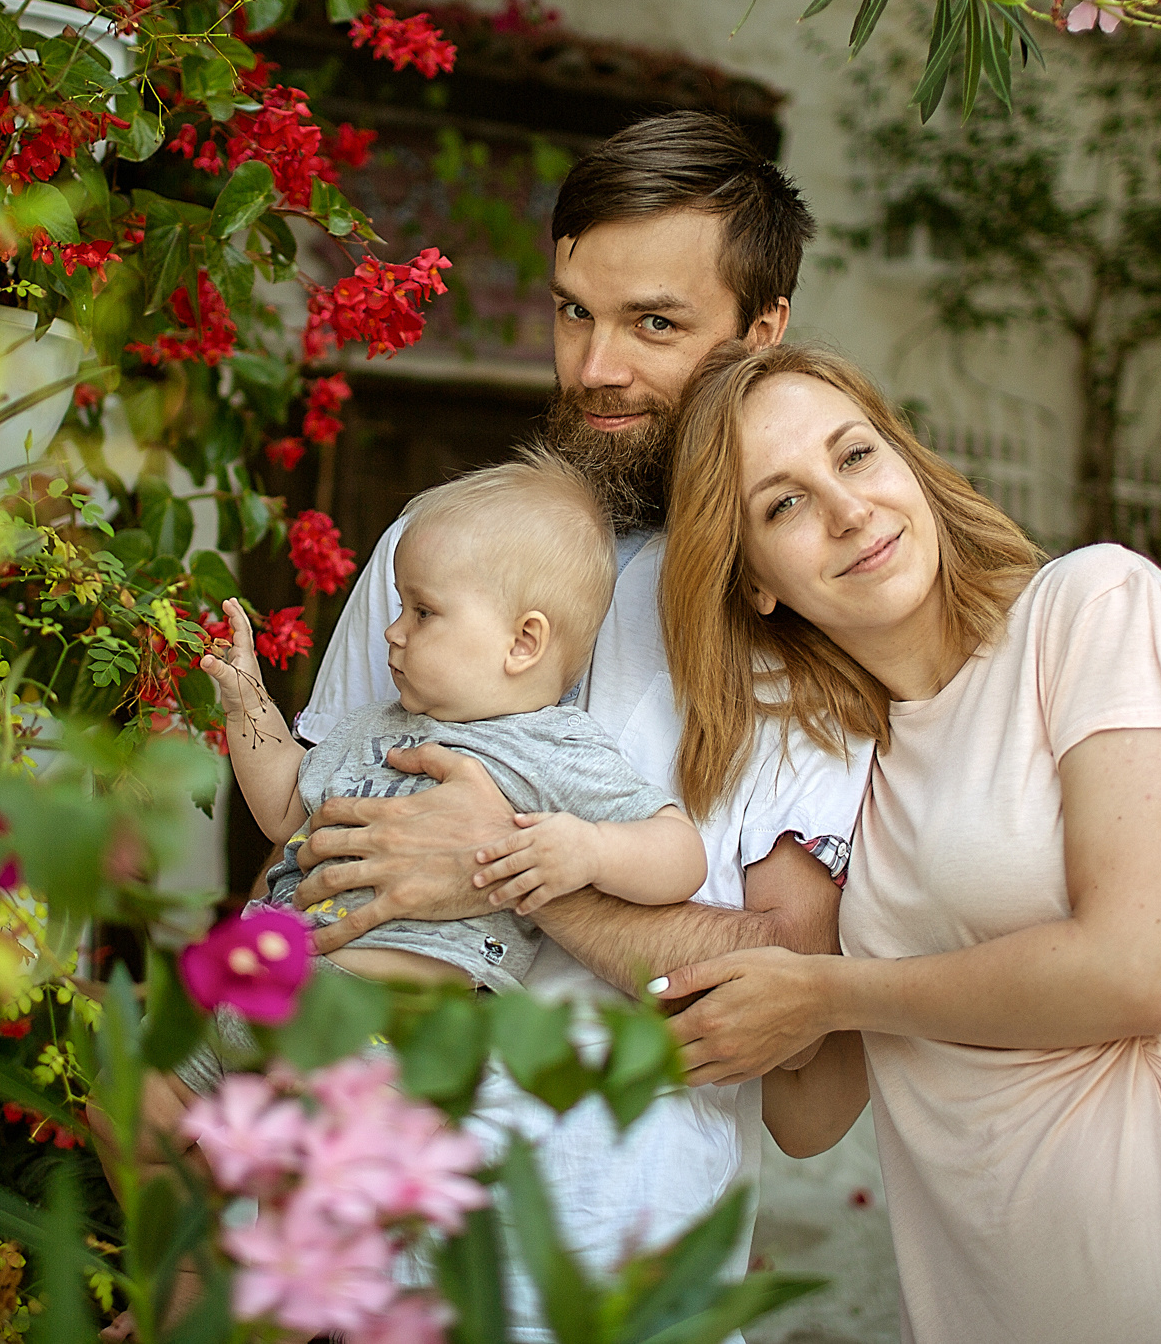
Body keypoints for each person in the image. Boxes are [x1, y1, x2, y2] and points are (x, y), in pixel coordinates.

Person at [649, 341, 1161, 1344]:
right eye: (783, 504)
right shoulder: (847, 770)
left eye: (854, 455)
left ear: (908, 465)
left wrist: (834, 988)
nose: (847, 511)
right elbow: (810, 1114)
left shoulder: (1092, 610)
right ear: (750, 579)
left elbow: (1139, 968)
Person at [281, 113, 868, 1331]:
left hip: (609, 1275)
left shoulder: (796, 617)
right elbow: (316, 857)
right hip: (359, 1255)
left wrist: (510, 868)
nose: (595, 366)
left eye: (654, 322)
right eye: (572, 311)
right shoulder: (434, 548)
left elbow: (787, 992)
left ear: (761, 332)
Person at [194, 449, 706, 1026]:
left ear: (522, 643)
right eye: (400, 607)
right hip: (265, 990)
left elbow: (681, 854)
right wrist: (246, 703)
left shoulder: (552, 748)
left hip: (380, 1027)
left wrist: (589, 850)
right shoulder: (377, 724)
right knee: (134, 1094)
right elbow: (287, 809)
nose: (393, 631)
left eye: (423, 612)